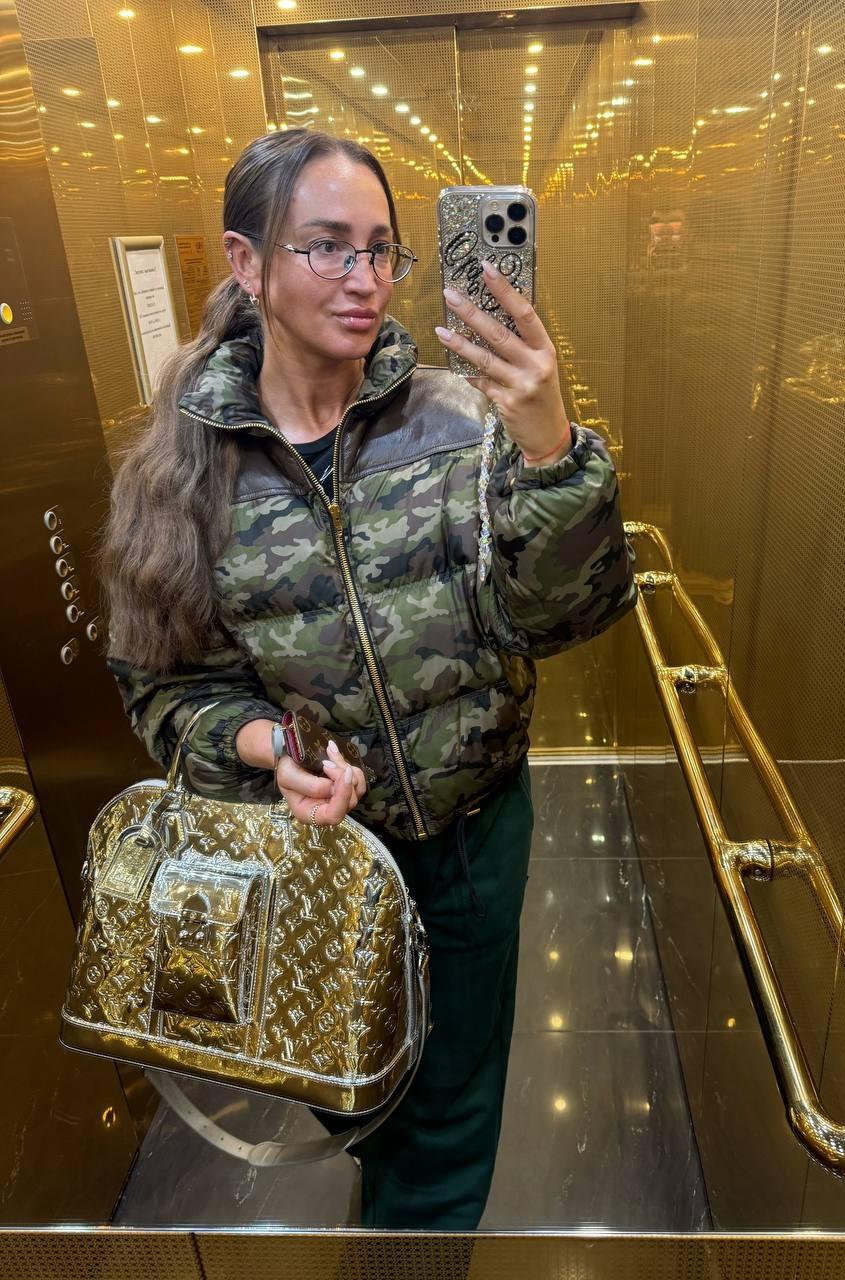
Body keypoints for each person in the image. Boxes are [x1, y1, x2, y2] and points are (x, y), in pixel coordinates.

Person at [100, 128, 637, 1230]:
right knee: (355, 1090)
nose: (364, 278)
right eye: (327, 246)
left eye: (382, 249)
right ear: (247, 263)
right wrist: (272, 751)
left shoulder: (461, 417)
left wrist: (551, 450)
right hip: (322, 858)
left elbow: (564, 616)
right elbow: (165, 689)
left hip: (473, 837)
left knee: (449, 1122)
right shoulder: (182, 468)